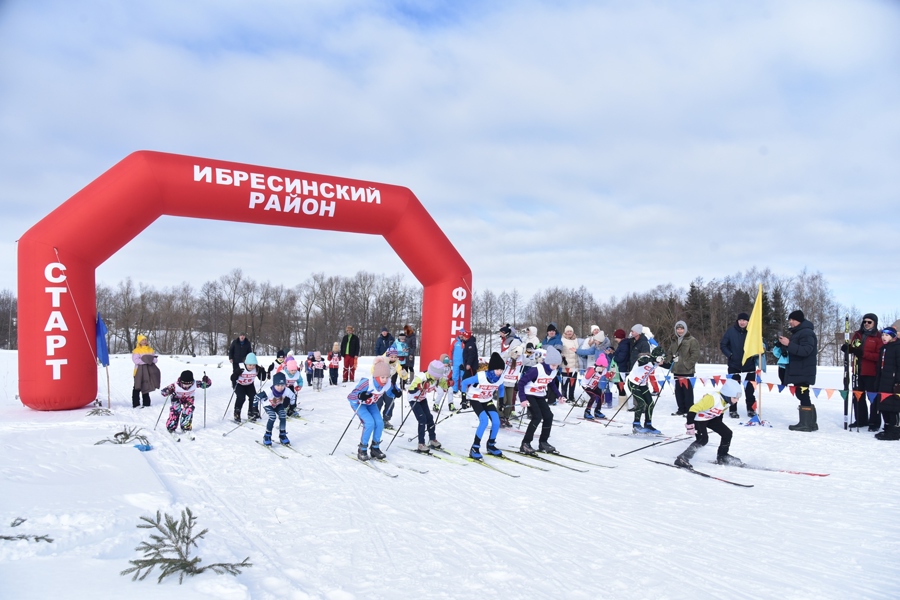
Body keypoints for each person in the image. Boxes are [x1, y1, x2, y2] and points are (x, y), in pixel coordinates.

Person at [674, 378, 743, 468]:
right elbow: (693, 409)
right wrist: (690, 425)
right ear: (727, 395)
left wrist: (719, 427)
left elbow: (720, 413)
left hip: (710, 418)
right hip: (698, 418)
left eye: (738, 398)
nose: (737, 400)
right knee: (703, 439)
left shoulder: (727, 401)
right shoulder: (712, 398)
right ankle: (682, 458)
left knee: (727, 433)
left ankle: (722, 456)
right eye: (735, 398)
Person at [347, 359, 400, 461]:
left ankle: (375, 448)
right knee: (369, 423)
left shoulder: (388, 383)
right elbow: (350, 396)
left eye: (387, 377)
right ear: (376, 376)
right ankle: (362, 449)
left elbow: (392, 391)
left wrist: (396, 393)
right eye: (382, 377)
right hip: (359, 404)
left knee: (380, 423)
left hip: (371, 404)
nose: (385, 379)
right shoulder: (367, 383)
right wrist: (360, 395)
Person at [516, 346, 563, 455]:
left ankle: (543, 442)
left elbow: (551, 383)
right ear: (548, 362)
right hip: (529, 395)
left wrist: (559, 395)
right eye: (553, 365)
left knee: (548, 416)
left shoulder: (553, 371)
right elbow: (521, 383)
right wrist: (522, 399)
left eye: (557, 365)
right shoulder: (536, 369)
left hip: (539, 395)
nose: (555, 367)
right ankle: (525, 443)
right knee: (537, 417)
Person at [460, 352, 506, 459]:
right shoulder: (481, 376)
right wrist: (463, 399)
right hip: (475, 399)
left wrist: (501, 402)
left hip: (487, 400)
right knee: (484, 421)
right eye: (497, 370)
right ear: (492, 369)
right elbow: (464, 383)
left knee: (496, 421)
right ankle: (474, 448)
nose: (499, 372)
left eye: (501, 370)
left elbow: (501, 388)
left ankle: (491, 445)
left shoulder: (500, 378)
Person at [779, 310, 819, 432]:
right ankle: (811, 423)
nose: (790, 322)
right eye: (789, 319)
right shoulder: (799, 332)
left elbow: (806, 350)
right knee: (802, 394)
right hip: (800, 369)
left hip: (804, 369)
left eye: (793, 319)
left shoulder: (806, 333)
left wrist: (789, 344)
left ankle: (806, 424)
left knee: (802, 394)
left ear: (800, 320)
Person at [845, 314, 885, 430]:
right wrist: (848, 349)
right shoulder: (858, 335)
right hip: (858, 370)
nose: (866, 324)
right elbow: (853, 348)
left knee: (872, 397)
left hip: (871, 372)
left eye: (869, 322)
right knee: (857, 396)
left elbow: (879, 356)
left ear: (874, 323)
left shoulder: (878, 337)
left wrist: (863, 354)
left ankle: (874, 422)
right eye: (864, 322)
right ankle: (860, 419)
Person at [719, 312, 758, 418]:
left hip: (749, 365)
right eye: (740, 320)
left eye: (744, 320)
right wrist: (730, 355)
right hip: (734, 364)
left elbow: (761, 343)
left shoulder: (753, 331)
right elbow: (723, 345)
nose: (742, 322)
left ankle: (751, 409)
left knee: (750, 389)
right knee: (734, 388)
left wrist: (762, 346)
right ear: (737, 321)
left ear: (748, 322)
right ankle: (733, 410)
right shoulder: (731, 331)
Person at [406, 360, 445, 452]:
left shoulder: (438, 378)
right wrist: (419, 387)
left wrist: (449, 384)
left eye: (439, 376)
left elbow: (444, 383)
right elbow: (411, 389)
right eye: (436, 376)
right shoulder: (421, 377)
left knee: (429, 418)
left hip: (422, 398)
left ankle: (432, 439)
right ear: (432, 373)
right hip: (414, 399)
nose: (437, 378)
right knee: (422, 418)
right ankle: (421, 443)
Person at [665, 320, 700, 417]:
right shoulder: (674, 340)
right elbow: (669, 352)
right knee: (678, 391)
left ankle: (689, 410)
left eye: (682, 329)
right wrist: (669, 359)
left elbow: (695, 355)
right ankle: (681, 408)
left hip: (687, 371)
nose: (680, 331)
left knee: (687, 391)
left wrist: (687, 365)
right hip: (676, 370)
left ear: (685, 329)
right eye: (678, 329)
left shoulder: (692, 340)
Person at [627, 342, 663, 435]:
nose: (662, 361)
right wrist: (653, 359)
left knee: (650, 404)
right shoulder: (646, 359)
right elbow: (641, 361)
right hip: (633, 383)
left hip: (642, 384)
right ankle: (636, 425)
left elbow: (667, 365)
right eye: (661, 358)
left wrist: (673, 360)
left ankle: (648, 424)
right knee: (641, 403)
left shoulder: (656, 362)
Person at [161, 370, 211, 438]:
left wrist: (207, 381)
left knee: (189, 409)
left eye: (189, 384)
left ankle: (185, 426)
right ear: (181, 382)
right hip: (176, 398)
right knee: (176, 410)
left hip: (188, 398)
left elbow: (206, 385)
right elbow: (163, 392)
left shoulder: (195, 383)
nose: (187, 386)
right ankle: (171, 426)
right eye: (185, 384)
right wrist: (167, 391)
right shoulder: (175, 385)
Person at [253, 372, 295, 446]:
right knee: (272, 417)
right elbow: (256, 397)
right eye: (278, 385)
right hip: (268, 405)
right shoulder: (268, 391)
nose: (280, 387)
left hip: (278, 404)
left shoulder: (287, 390)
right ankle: (267, 436)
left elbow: (293, 397)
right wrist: (255, 409)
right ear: (274, 384)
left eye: (282, 385)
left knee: (283, 416)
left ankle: (282, 435)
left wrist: (291, 408)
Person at [873, 327, 900, 440]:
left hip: (893, 382)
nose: (884, 337)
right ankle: (887, 427)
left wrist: (898, 382)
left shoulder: (897, 348)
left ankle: (895, 431)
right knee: (884, 406)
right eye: (883, 334)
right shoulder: (883, 348)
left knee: (893, 407)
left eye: (887, 335)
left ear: (893, 337)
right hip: (883, 381)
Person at [499, 334, 524, 427]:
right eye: (516, 354)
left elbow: (530, 361)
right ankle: (500, 417)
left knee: (509, 402)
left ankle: (506, 417)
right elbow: (499, 359)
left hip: (512, 382)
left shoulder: (521, 357)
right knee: (502, 400)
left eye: (518, 355)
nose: (516, 356)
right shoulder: (507, 354)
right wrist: (509, 354)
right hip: (502, 381)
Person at [232, 352, 265, 423]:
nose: (251, 367)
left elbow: (262, 379)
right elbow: (232, 378)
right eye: (250, 365)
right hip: (239, 384)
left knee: (254, 397)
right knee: (241, 397)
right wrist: (236, 373)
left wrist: (263, 372)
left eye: (253, 365)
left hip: (249, 384)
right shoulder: (241, 367)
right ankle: (237, 413)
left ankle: (251, 412)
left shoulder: (257, 369)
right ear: (246, 363)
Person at [131, 334, 160, 408]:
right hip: (138, 371)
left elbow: (155, 359)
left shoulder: (150, 350)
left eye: (145, 340)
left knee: (146, 385)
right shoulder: (136, 350)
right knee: (137, 386)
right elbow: (136, 361)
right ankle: (136, 403)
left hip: (149, 371)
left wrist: (149, 360)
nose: (144, 341)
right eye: (142, 340)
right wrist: (147, 360)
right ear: (139, 342)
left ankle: (146, 403)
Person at [581, 353, 610, 420]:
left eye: (605, 367)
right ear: (598, 365)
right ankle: (587, 412)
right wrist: (595, 370)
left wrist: (612, 373)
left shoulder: (604, 370)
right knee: (593, 396)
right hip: (586, 385)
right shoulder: (592, 368)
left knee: (601, 395)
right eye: (603, 367)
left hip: (594, 386)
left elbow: (609, 377)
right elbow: (587, 376)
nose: (603, 369)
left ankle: (597, 411)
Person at [559, 325, 580, 404]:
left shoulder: (576, 340)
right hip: (566, 364)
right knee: (565, 381)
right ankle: (564, 396)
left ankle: (571, 396)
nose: (569, 333)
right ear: (565, 332)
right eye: (567, 331)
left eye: (570, 331)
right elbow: (560, 350)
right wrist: (562, 357)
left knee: (573, 381)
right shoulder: (562, 340)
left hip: (574, 364)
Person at [611, 329, 630, 408]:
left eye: (616, 338)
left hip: (621, 368)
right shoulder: (622, 344)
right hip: (620, 368)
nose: (615, 339)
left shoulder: (624, 345)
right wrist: (613, 352)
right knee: (619, 385)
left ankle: (622, 405)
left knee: (620, 385)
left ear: (620, 337)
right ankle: (622, 404)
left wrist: (611, 356)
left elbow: (620, 358)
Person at [460, 328, 479, 408]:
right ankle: (466, 399)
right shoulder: (467, 343)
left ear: (466, 337)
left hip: (471, 368)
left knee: (465, 381)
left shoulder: (470, 344)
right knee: (466, 382)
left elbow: (472, 355)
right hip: (467, 366)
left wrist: (468, 364)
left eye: (464, 336)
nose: (462, 337)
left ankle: (466, 399)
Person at [451, 329, 467, 399]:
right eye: (460, 334)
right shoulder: (455, 342)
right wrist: (450, 360)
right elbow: (450, 351)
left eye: (462, 334)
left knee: (463, 376)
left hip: (463, 363)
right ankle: (455, 390)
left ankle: (462, 390)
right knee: (455, 376)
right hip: (456, 362)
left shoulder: (466, 342)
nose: (461, 335)